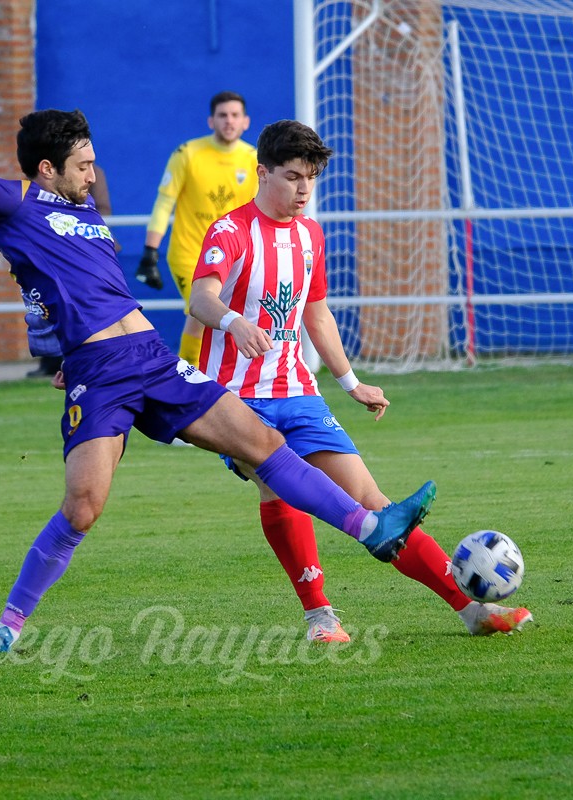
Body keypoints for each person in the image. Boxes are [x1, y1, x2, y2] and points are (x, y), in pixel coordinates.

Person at [0, 86, 436, 655]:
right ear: (47, 169)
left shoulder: (85, 211)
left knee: (261, 442)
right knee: (83, 507)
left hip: (153, 359)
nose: (93, 175)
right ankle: (6, 629)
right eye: (83, 166)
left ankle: (372, 527)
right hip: (101, 374)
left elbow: (78, 285)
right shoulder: (18, 204)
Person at [189, 120, 533, 639]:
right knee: (277, 487)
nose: (303, 190)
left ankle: (473, 610)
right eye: (292, 177)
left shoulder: (310, 235)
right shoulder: (230, 231)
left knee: (377, 505)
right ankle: (320, 616)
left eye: (311, 179)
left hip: (299, 392)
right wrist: (234, 321)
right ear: (262, 173)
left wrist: (352, 384)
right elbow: (200, 298)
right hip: (237, 401)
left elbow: (317, 314)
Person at [138, 91, 257, 365]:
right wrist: (150, 251)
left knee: (233, 317)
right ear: (210, 121)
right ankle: (190, 379)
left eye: (235, 115)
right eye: (223, 115)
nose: (229, 121)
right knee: (200, 314)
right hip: (189, 253)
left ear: (246, 122)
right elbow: (164, 202)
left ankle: (221, 380)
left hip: (235, 254)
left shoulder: (254, 159)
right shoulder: (188, 154)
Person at [26, 163, 115, 378]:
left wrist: (80, 228)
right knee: (48, 301)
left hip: (83, 249)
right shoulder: (40, 176)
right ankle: (50, 360)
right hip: (51, 247)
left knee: (87, 304)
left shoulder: (95, 173)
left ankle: (95, 358)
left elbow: (103, 208)